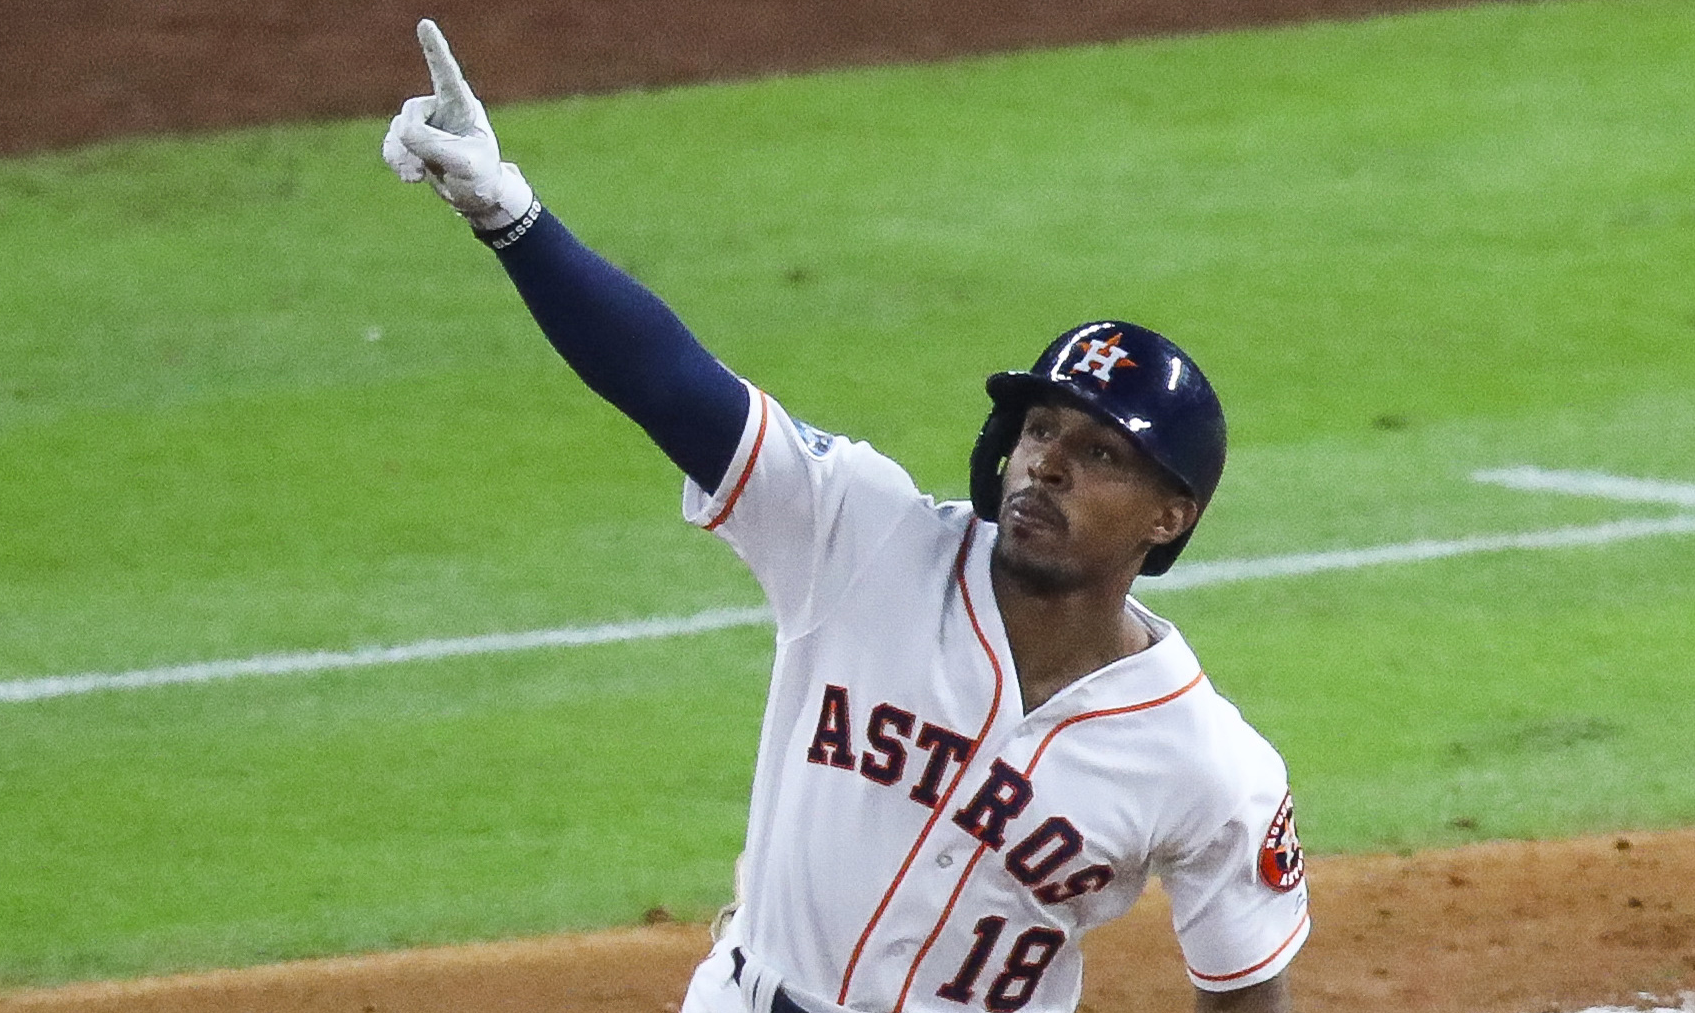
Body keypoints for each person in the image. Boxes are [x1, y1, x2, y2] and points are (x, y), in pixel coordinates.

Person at [383, 18, 1308, 1013]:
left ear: (1168, 515)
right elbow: (676, 389)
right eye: (1039, 429)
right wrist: (508, 213)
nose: (1045, 465)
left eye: (1098, 453)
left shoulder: (1204, 760)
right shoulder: (862, 539)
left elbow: (1245, 985)